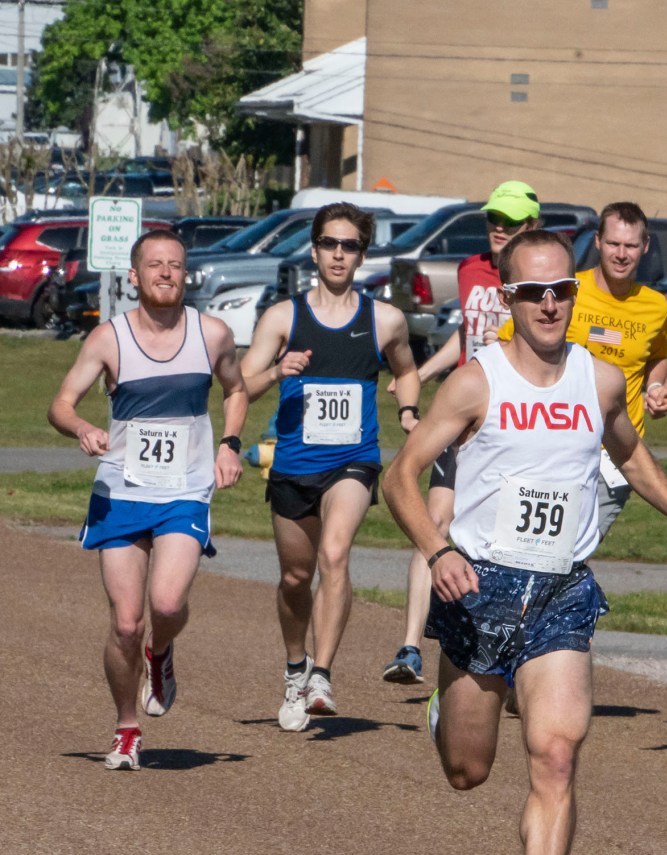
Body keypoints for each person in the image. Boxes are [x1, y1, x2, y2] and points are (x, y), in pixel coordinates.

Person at [384, 230, 667, 855]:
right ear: (507, 299)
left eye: (561, 290)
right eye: (534, 292)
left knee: (557, 754)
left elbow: (628, 452)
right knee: (468, 771)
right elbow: (398, 477)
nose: (550, 304)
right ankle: (448, 707)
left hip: (562, 589)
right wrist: (438, 551)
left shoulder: (598, 380)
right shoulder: (476, 381)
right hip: (480, 587)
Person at [47, 231, 247, 769]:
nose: (166, 273)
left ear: (187, 275)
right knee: (126, 622)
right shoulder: (108, 339)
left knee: (164, 606)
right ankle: (126, 728)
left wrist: (229, 444)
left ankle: (161, 655)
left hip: (184, 489)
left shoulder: (212, 334)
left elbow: (236, 389)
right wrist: (83, 428)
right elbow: (61, 404)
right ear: (134, 276)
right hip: (121, 491)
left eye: (175, 265)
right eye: (154, 265)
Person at [242, 202, 421, 730]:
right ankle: (295, 665)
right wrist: (278, 370)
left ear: (362, 254)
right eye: (329, 243)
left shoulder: (384, 319)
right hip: (294, 464)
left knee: (335, 555)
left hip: (354, 460)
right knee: (296, 577)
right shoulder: (283, 317)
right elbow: (241, 386)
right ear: (314, 249)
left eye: (349, 246)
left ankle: (322, 673)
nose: (338, 254)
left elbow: (408, 372)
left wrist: (407, 409)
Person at [382, 182, 541, 686]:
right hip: (462, 416)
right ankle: (410, 645)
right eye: (494, 218)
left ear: (531, 228)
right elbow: (466, 333)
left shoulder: (543, 281)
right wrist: (424, 374)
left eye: (511, 222)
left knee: (510, 537)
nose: (499, 228)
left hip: (511, 424)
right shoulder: (471, 270)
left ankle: (512, 652)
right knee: (432, 521)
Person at [498, 201, 667, 538]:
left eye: (630, 245)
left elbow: (658, 356)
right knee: (538, 548)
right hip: (554, 444)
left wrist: (656, 387)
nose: (621, 254)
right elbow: (510, 346)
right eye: (613, 244)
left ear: (645, 247)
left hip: (615, 455)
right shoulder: (566, 290)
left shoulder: (655, 306)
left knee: (576, 548)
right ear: (597, 241)